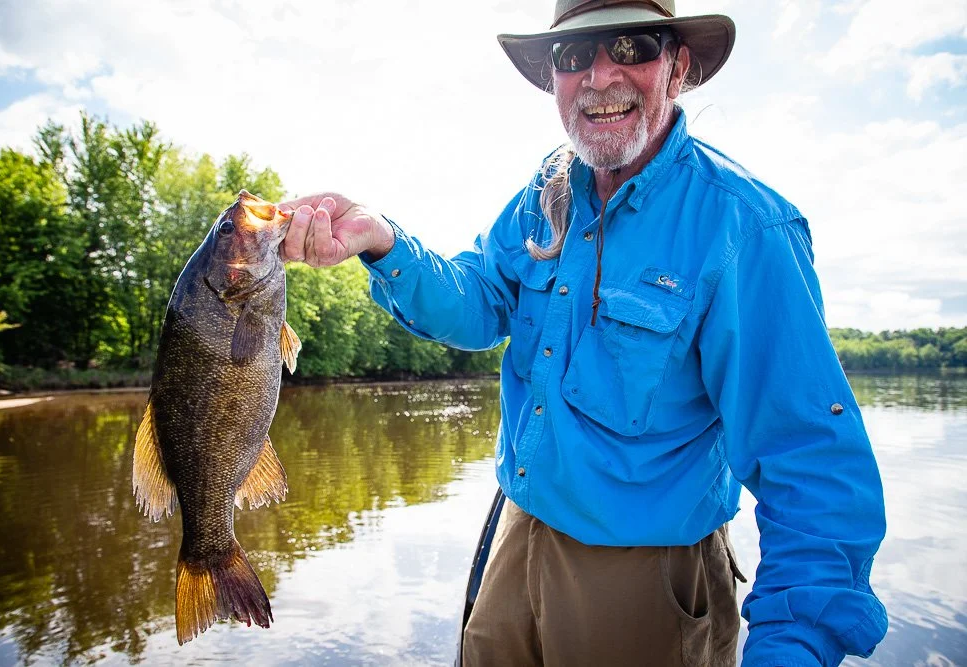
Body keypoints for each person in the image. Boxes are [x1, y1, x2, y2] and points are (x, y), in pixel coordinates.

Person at [279, 1, 888, 665]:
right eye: (573, 55)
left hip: (648, 576)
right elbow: (479, 300)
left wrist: (792, 648)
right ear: (554, 78)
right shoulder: (545, 190)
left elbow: (812, 470)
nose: (599, 76)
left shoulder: (745, 228)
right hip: (516, 535)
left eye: (631, 46)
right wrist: (383, 242)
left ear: (678, 67)